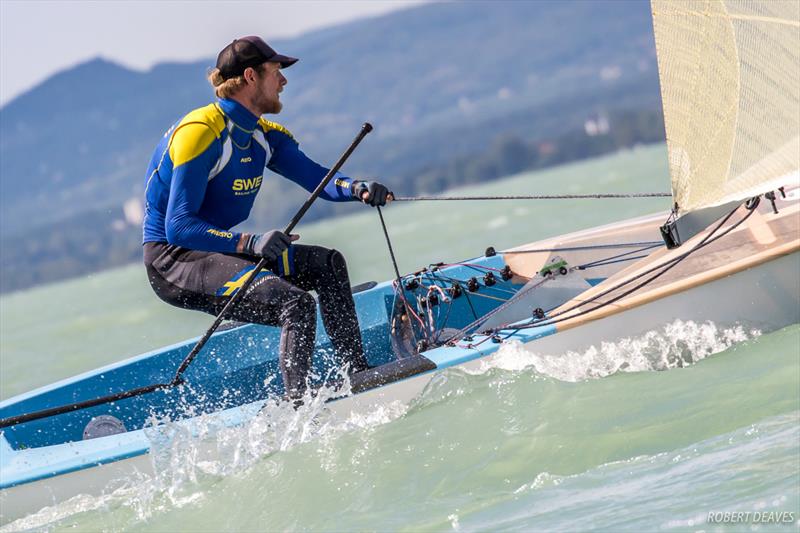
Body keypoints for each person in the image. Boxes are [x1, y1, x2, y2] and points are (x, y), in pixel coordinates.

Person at [142, 36, 391, 400]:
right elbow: (178, 227)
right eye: (277, 72)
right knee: (297, 304)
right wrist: (250, 242)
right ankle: (297, 409)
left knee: (328, 265)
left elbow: (318, 179)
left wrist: (359, 188)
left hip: (216, 250)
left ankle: (360, 377)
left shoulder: (262, 136)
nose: (284, 81)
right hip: (173, 261)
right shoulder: (201, 133)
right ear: (250, 77)